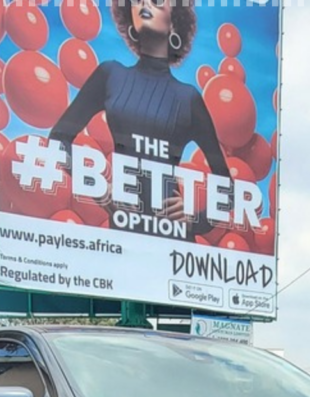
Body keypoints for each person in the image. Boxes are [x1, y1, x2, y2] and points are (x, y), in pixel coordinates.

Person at [49, 0, 229, 228]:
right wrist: (98, 187)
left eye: (157, 1)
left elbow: (227, 189)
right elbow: (58, 140)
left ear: (174, 23)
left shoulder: (188, 99)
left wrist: (195, 221)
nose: (145, 3)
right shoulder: (110, 75)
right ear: (130, 19)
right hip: (121, 232)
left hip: (172, 240)